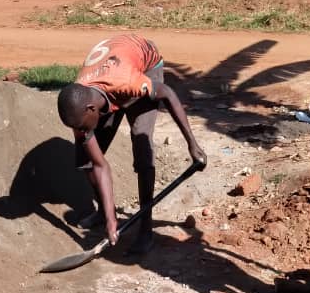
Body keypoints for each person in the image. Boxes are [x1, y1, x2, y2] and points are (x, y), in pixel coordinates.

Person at [57, 34, 206, 253]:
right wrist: (110, 219)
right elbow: (99, 165)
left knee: (143, 148)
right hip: (112, 75)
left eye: (81, 127)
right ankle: (102, 213)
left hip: (144, 66)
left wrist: (192, 144)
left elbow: (168, 94)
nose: (80, 131)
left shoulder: (128, 81)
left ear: (92, 109)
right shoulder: (79, 104)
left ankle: (145, 229)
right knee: (85, 158)